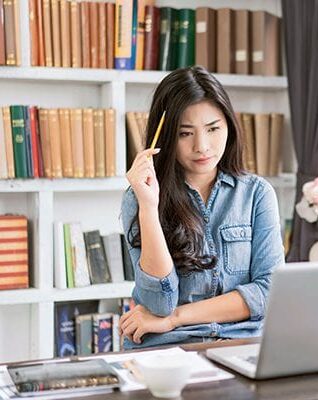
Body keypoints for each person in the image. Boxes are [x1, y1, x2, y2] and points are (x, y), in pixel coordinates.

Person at [119, 66, 285, 348]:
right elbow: (159, 304)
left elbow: (270, 292)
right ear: (166, 137)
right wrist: (149, 207)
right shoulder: (139, 197)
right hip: (169, 346)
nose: (202, 146)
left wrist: (176, 317)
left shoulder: (256, 194)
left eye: (213, 129)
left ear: (229, 126)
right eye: (185, 133)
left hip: (240, 342)